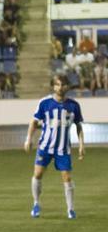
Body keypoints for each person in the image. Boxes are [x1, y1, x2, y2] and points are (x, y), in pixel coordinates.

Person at [25, 77, 85, 219]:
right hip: (45, 147)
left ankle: (70, 209)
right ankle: (36, 204)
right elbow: (33, 122)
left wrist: (82, 145)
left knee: (67, 177)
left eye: (63, 84)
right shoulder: (45, 103)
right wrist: (28, 139)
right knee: (38, 174)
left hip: (63, 149)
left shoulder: (74, 105)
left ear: (67, 87)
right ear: (53, 87)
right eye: (57, 84)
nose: (60, 87)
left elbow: (79, 126)